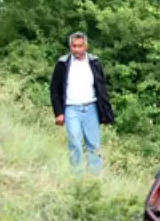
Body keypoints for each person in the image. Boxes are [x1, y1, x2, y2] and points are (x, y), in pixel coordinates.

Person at [49, 32, 115, 174]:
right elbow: (54, 89)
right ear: (70, 46)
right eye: (74, 46)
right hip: (71, 108)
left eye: (80, 46)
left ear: (86, 46)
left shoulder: (94, 62)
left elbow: (102, 88)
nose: (77, 49)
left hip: (91, 107)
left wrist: (107, 112)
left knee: (94, 145)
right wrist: (59, 112)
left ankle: (94, 178)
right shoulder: (62, 64)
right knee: (75, 142)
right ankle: (76, 177)